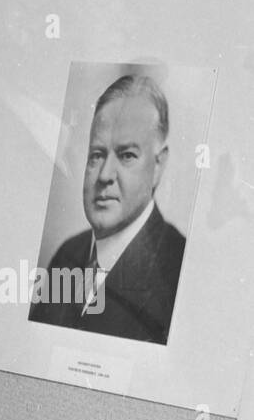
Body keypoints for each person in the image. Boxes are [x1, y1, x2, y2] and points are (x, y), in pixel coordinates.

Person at [29, 74, 187, 345]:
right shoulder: (68, 254)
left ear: (158, 166)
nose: (104, 175)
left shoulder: (178, 271)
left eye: (127, 155)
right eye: (97, 155)